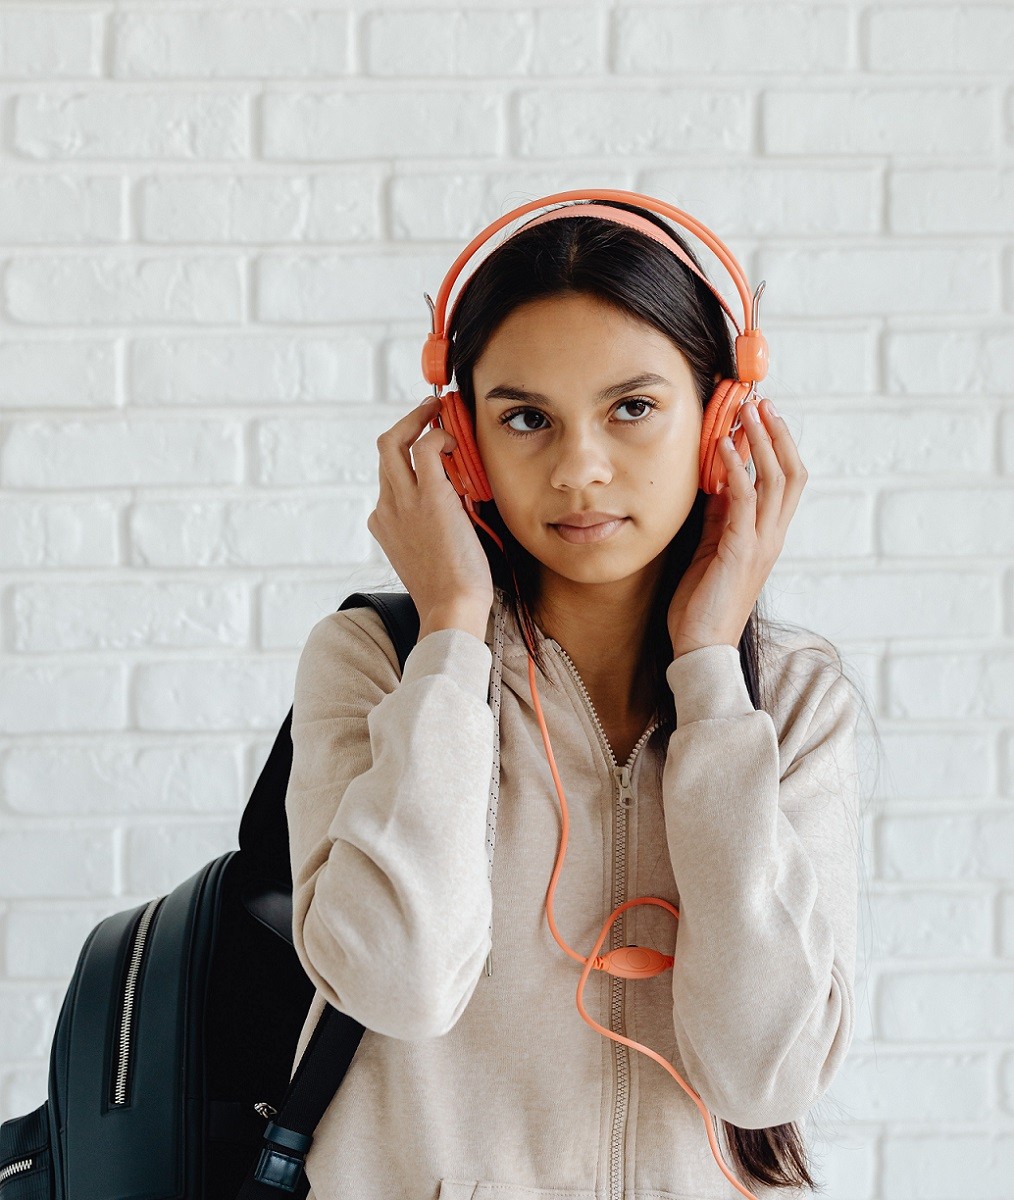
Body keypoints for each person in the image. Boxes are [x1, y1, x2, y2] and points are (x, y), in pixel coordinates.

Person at [283, 198, 866, 1200]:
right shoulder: (375, 663)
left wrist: (713, 680)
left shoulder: (793, 698)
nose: (579, 468)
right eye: (525, 418)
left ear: (725, 424)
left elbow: (762, 1076)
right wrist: (453, 632)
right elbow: (398, 984)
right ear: (460, 446)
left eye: (632, 408)